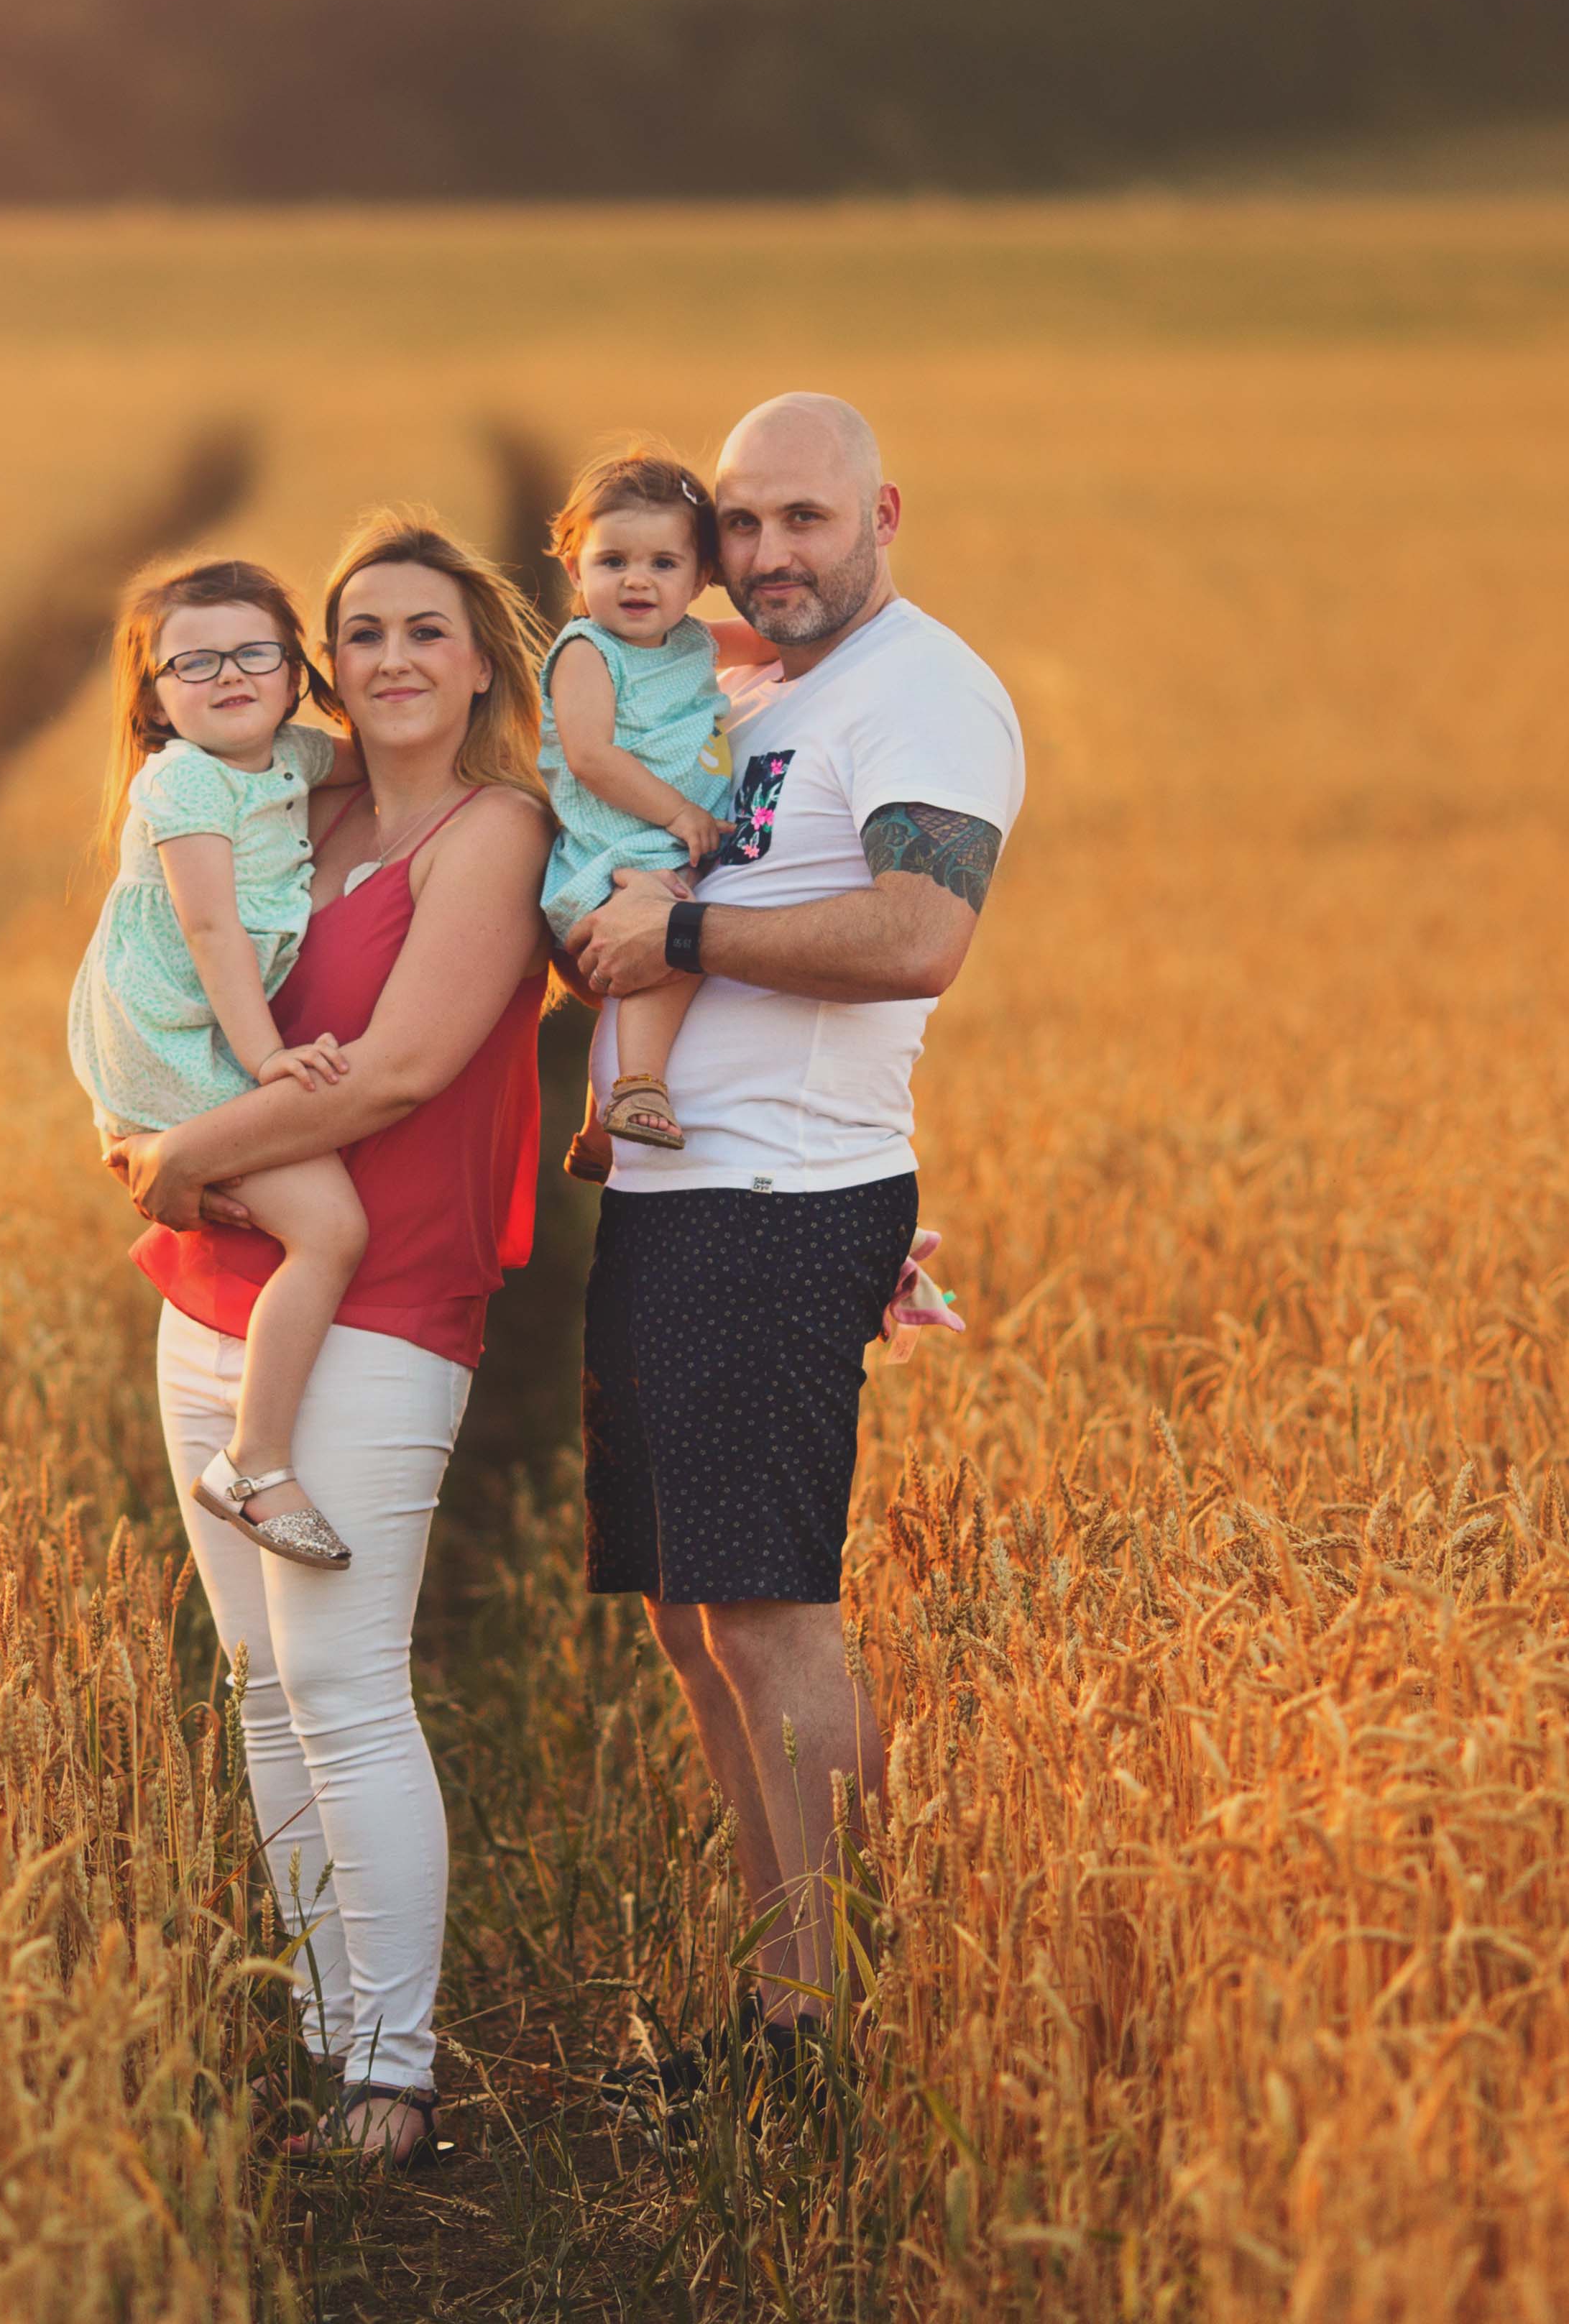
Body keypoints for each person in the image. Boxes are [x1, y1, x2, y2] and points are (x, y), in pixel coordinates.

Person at [569, 391, 1025, 2069]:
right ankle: (780, 1996)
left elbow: (917, 930)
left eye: (800, 522)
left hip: (780, 1197)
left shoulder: (923, 694)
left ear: (880, 512)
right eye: (739, 524)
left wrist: (677, 930)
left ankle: (853, 2010)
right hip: (676, 1192)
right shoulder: (750, 690)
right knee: (688, 1616)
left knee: (766, 1610)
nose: (762, 556)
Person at [103, 510, 557, 2171]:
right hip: (209, 1284)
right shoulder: (296, 801)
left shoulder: (492, 834)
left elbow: (389, 1076)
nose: (387, 660)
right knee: (253, 1687)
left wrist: (172, 1158)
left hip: (385, 1295)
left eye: (422, 630)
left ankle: (392, 2063)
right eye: (357, 633)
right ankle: (319, 2016)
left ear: (478, 659)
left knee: (345, 1683)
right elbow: (167, 949)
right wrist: (138, 1126)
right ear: (322, 668)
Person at [65, 558, 369, 1568]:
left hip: (199, 1024)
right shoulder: (185, 778)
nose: (227, 675)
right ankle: (256, 1461)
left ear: (294, 674)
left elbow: (382, 763)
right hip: (175, 1027)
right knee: (328, 1226)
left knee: (304, 1216)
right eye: (192, 663)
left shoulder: (291, 754)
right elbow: (211, 929)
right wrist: (267, 1060)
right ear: (153, 701)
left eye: (254, 653)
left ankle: (258, 1442)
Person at [530, 446, 778, 1174]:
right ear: (576, 570)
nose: (637, 580)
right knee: (669, 946)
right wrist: (679, 814)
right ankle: (638, 1091)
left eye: (665, 565)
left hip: (655, 854)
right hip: (613, 862)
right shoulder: (588, 651)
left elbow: (774, 641)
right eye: (613, 562)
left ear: (704, 576)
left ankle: (599, 1130)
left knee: (672, 961)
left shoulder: (692, 642)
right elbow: (590, 756)